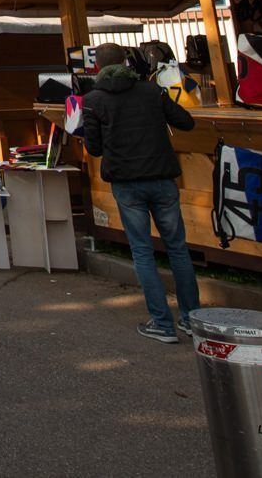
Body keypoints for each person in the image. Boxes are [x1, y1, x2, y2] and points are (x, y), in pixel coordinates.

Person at [80, 42, 202, 344]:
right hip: (161, 175)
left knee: (143, 252)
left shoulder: (93, 100)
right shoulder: (151, 91)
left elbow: (93, 148)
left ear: (97, 66)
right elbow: (186, 122)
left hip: (126, 181)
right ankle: (192, 318)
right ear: (127, 61)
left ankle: (162, 322)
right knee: (177, 249)